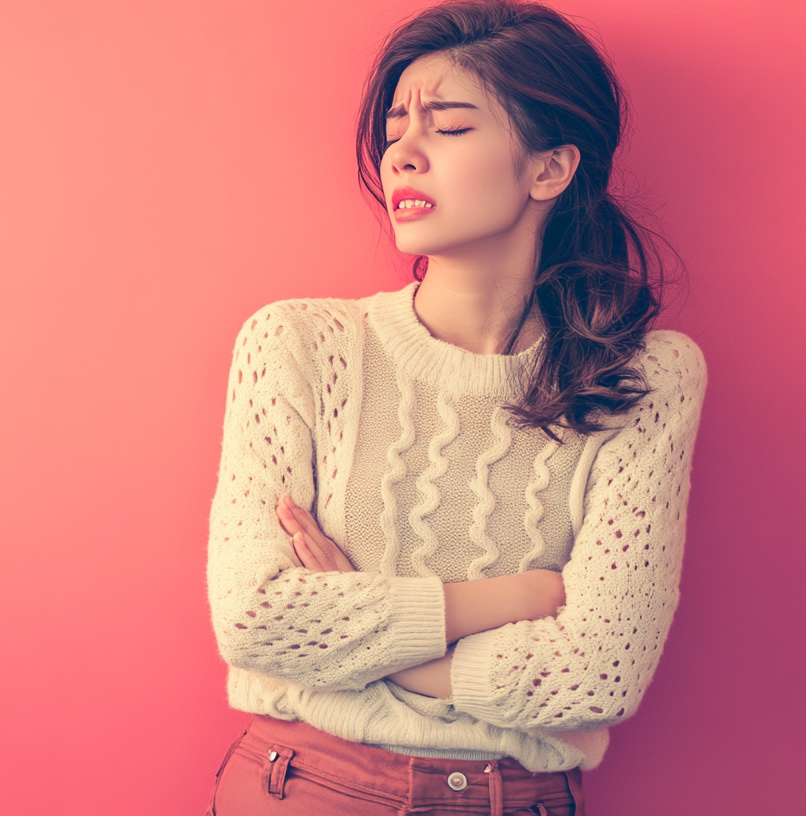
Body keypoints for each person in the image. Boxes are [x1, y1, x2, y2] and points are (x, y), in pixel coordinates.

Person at [203, 1, 707, 813]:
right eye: (396, 124)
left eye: (450, 127)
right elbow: (258, 616)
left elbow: (598, 675)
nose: (401, 151)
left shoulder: (643, 379)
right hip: (308, 786)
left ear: (549, 169)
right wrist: (512, 598)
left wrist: (377, 638)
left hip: (517, 798)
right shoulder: (298, 345)